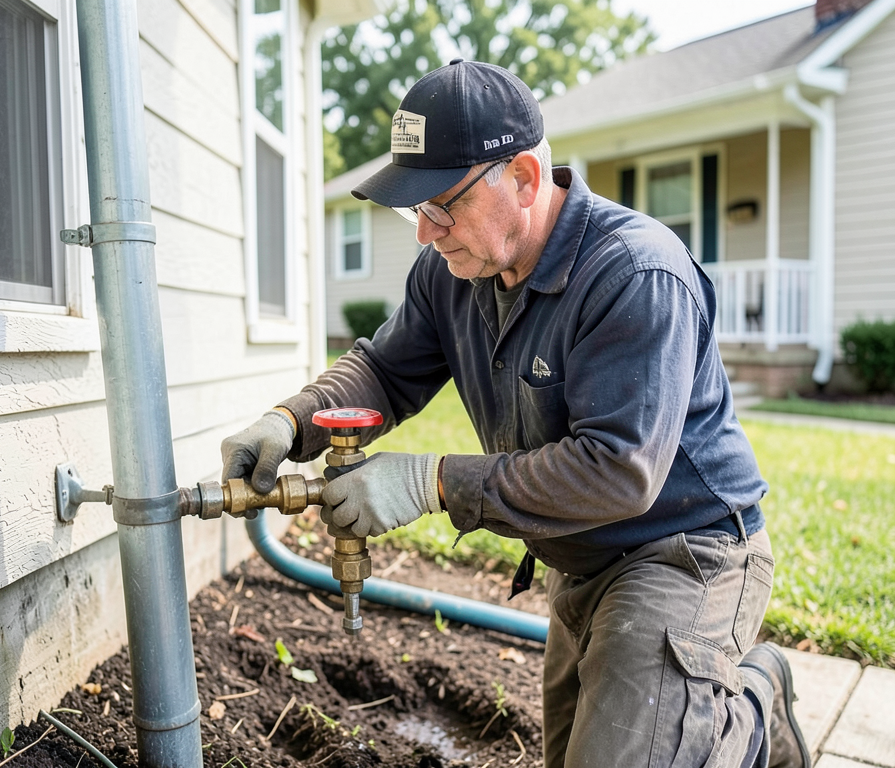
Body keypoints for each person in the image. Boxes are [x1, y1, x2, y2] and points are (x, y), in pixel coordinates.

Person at [221, 59, 812, 768]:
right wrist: (291, 421)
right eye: (415, 209)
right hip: (579, 557)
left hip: (685, 552)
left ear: (525, 179)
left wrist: (431, 482)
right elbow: (383, 368)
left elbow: (619, 472)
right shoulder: (453, 269)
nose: (425, 231)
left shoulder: (634, 273)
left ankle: (752, 706)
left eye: (441, 204)